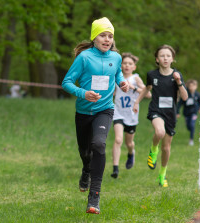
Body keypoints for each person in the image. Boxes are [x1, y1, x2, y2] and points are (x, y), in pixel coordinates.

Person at [62, 17, 129, 214]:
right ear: (94, 38)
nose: (107, 39)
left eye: (110, 36)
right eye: (103, 35)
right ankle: (86, 170)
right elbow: (66, 82)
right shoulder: (83, 57)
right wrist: (84, 93)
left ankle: (94, 197)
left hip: (105, 110)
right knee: (85, 152)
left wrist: (122, 82)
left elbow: (117, 74)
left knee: (99, 144)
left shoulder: (116, 58)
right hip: (83, 111)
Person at [133, 44, 188, 187]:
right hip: (156, 110)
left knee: (167, 148)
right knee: (160, 131)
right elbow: (147, 88)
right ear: (157, 59)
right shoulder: (152, 74)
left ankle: (162, 174)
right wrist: (137, 102)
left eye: (168, 56)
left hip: (170, 113)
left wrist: (179, 82)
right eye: (162, 55)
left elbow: (185, 97)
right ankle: (153, 149)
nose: (165, 58)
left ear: (172, 59)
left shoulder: (177, 75)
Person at [111, 52, 151, 179]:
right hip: (118, 112)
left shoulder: (136, 78)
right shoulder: (117, 77)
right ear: (121, 65)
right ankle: (115, 169)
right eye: (124, 63)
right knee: (118, 139)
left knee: (129, 143)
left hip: (131, 114)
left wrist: (133, 88)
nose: (127, 66)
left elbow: (148, 94)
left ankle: (130, 153)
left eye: (130, 64)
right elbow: (113, 92)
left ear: (134, 67)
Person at [177, 79, 200, 146]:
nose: (191, 87)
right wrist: (177, 112)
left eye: (193, 86)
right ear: (188, 86)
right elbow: (179, 104)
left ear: (196, 86)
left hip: (194, 112)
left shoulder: (197, 94)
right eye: (190, 86)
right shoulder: (185, 94)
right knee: (188, 126)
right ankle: (190, 128)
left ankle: (191, 139)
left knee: (192, 125)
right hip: (186, 113)